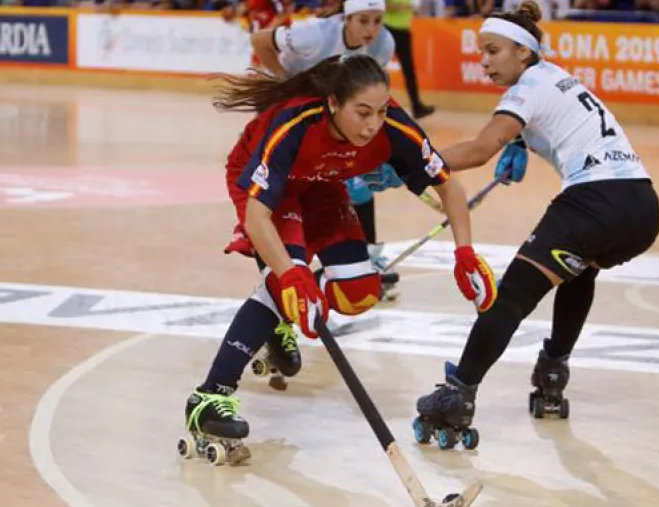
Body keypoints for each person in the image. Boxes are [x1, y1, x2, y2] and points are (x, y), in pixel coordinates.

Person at [180, 55, 497, 464]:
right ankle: (209, 397)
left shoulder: (394, 128)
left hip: (324, 184)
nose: (373, 125)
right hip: (268, 189)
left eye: (381, 111)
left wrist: (465, 251)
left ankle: (282, 312)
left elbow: (449, 187)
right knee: (284, 284)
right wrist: (291, 276)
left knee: (360, 292)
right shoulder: (294, 125)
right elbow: (258, 216)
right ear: (333, 103)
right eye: (362, 113)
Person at [412, 1, 659, 448]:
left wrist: (411, 166)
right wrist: (523, 143)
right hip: (642, 206)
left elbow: (480, 150)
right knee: (579, 270)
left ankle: (458, 392)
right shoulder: (555, 75)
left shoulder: (527, 87)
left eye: (492, 51)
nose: (483, 61)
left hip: (595, 201)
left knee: (511, 296)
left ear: (522, 52)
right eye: (481, 52)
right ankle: (553, 370)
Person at [248, 0, 407, 299]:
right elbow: (259, 40)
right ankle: (277, 268)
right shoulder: (316, 34)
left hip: (332, 110)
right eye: (363, 20)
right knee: (287, 189)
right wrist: (289, 86)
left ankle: (368, 257)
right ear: (347, 18)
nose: (372, 29)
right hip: (290, 107)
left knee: (358, 177)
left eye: (377, 20)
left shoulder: (383, 43)